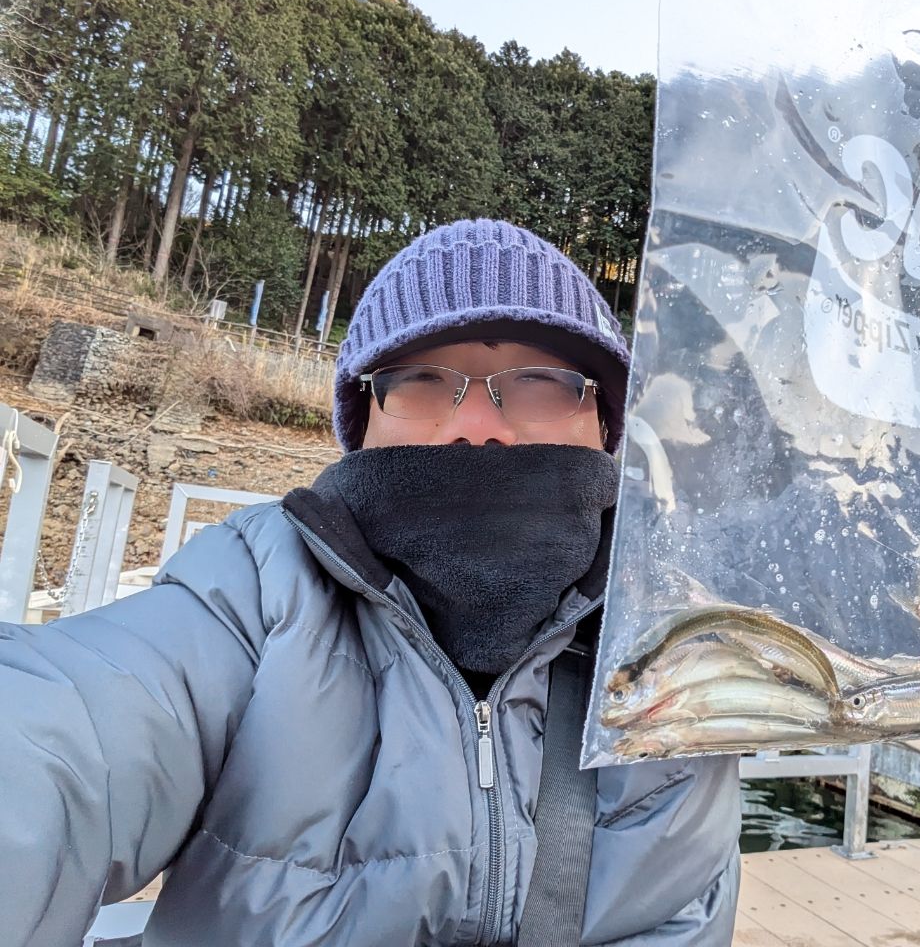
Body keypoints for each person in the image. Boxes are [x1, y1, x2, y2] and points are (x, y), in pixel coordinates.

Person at [0, 219, 742, 946]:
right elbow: (63, 736)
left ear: (606, 426)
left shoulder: (677, 642)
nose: (477, 426)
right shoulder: (254, 589)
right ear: (361, 424)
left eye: (541, 383)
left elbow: (683, 911)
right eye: (421, 381)